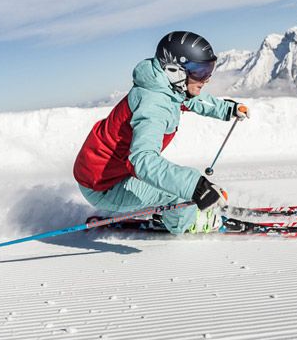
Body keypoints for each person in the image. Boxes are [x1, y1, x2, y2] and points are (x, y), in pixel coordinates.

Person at [74, 31, 249, 234]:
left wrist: (227, 109)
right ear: (175, 70)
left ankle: (168, 209)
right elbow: (142, 160)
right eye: (200, 71)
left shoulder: (164, 86)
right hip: (105, 186)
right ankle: (187, 223)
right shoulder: (154, 106)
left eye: (209, 70)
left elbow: (192, 100)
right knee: (179, 192)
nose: (206, 79)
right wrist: (195, 186)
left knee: (176, 182)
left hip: (106, 173)